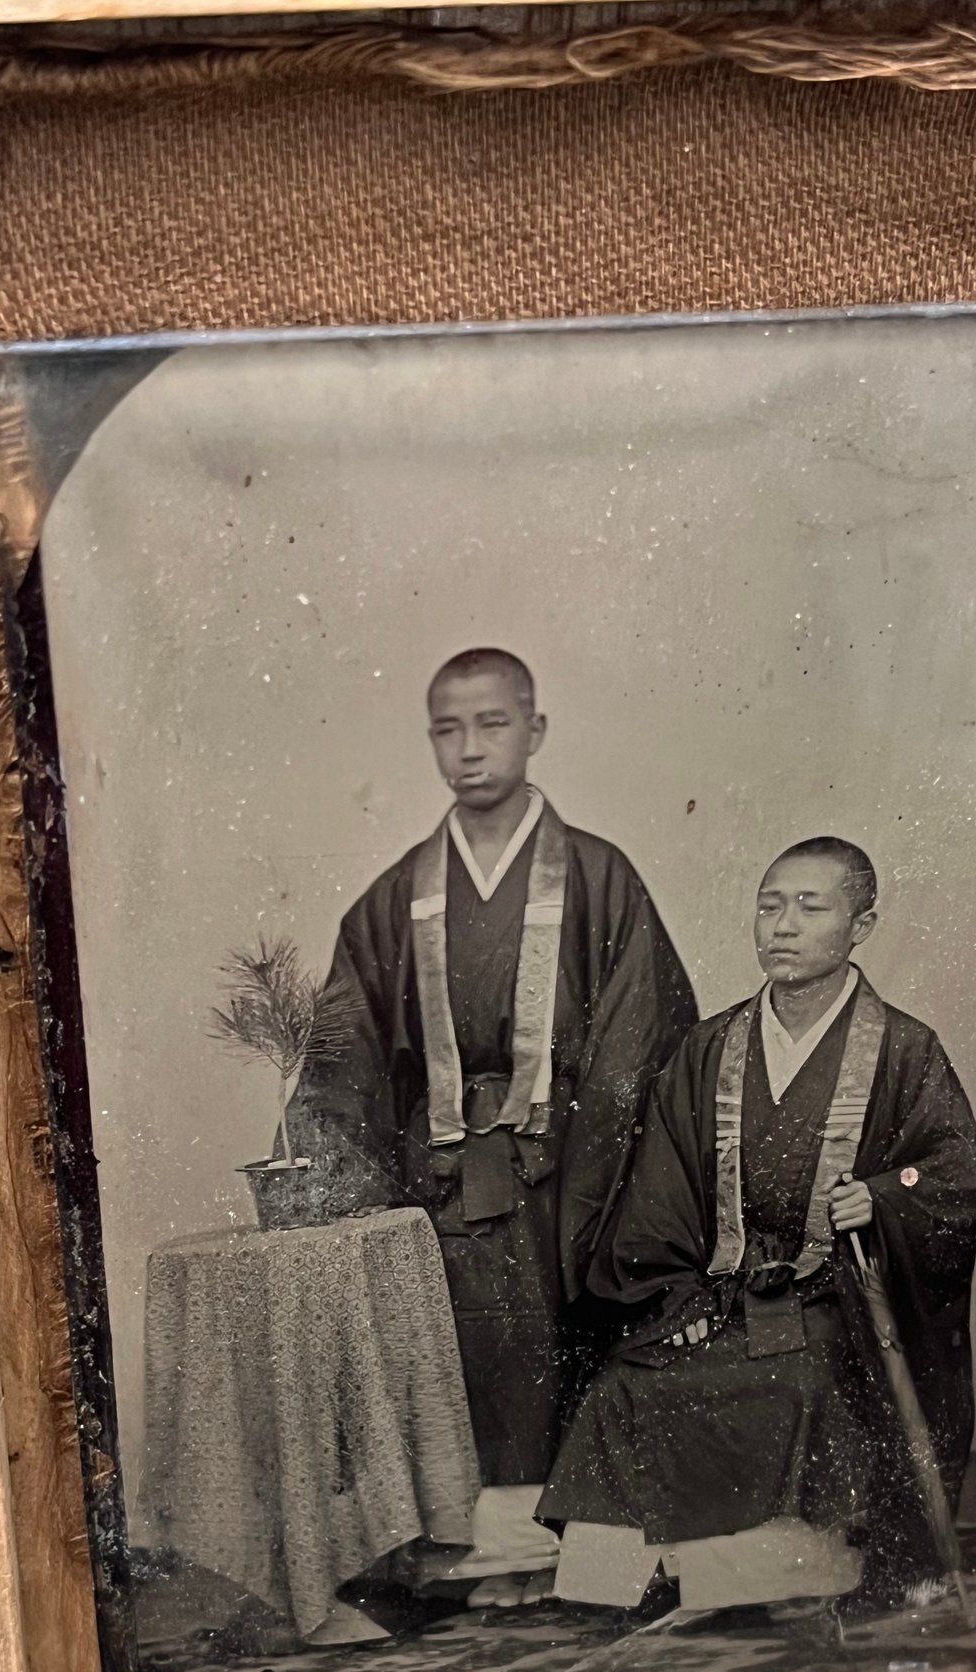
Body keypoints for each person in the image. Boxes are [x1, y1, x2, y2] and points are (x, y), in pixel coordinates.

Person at [289, 647, 696, 1604]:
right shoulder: (394, 899)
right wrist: (347, 1175)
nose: (470, 750)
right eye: (448, 728)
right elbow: (344, 1060)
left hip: (569, 1174)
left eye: (493, 724)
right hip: (437, 1182)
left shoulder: (599, 875)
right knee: (461, 1360)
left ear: (535, 730)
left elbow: (643, 1033)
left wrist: (588, 1170)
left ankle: (583, 1556)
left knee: (568, 1347)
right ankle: (483, 1558)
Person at [536, 837, 976, 1615]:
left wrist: (882, 1195)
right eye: (770, 903)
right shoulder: (710, 1048)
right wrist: (679, 1296)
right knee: (626, 1384)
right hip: (721, 1294)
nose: (783, 924)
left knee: (800, 1385)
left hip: (835, 1297)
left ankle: (785, 1578)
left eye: (812, 907)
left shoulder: (907, 1050)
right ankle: (632, 1581)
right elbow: (662, 1190)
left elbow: (950, 1173)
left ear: (862, 924)